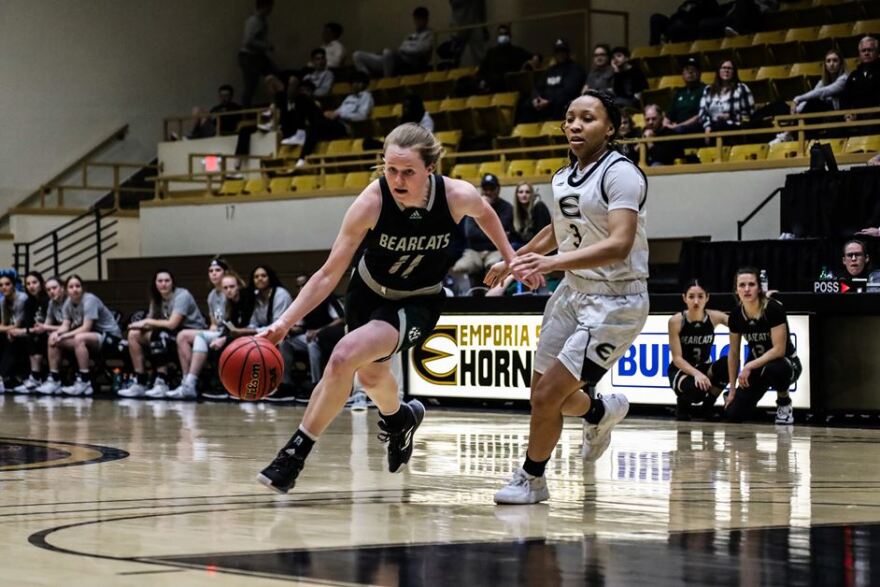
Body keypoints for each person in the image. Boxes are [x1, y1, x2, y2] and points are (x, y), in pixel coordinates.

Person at [255, 122, 530, 494]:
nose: (398, 180)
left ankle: (293, 456)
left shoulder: (455, 196)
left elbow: (486, 214)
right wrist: (284, 323)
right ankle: (400, 418)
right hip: (367, 293)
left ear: (430, 168)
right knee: (371, 377)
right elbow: (328, 273)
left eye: (408, 172)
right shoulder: (371, 202)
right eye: (391, 169)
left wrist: (511, 258)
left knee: (343, 356)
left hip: (418, 300)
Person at [490, 90, 649, 504]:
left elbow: (620, 243)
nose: (576, 125)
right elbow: (557, 230)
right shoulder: (563, 176)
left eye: (588, 118)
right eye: (570, 118)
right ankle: (599, 411)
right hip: (573, 293)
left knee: (548, 396)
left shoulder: (621, 174)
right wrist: (514, 260)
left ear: (610, 128)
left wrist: (552, 263)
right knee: (542, 395)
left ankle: (532, 479)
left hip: (615, 300)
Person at [725, 267, 801, 425]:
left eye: (751, 284)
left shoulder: (773, 308)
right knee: (733, 414)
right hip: (758, 366)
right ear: (736, 289)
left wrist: (749, 366)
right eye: (742, 285)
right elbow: (733, 353)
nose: (747, 289)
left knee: (776, 367)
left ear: (759, 288)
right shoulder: (736, 315)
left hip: (786, 364)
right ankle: (750, 404)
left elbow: (779, 350)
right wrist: (732, 389)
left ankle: (784, 403)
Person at [119, 270, 207, 398]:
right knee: (133, 334)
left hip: (190, 331)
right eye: (160, 281)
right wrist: (138, 325)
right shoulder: (156, 298)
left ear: (173, 283)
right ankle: (140, 382)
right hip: (171, 332)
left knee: (158, 334)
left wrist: (147, 322)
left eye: (167, 281)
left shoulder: (182, 295)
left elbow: (172, 324)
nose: (163, 284)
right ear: (155, 283)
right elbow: (151, 321)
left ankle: (162, 381)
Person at [173, 272, 255, 401]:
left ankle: (202, 382)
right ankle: (190, 382)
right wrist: (220, 335)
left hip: (254, 333)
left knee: (212, 341)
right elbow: (224, 324)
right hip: (231, 332)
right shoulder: (224, 300)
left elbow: (245, 328)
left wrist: (224, 338)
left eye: (232, 287)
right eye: (225, 288)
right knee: (200, 339)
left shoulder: (247, 299)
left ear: (238, 286)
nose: (229, 290)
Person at [35, 275, 122, 396]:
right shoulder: (68, 303)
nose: (74, 289)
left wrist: (64, 336)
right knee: (53, 338)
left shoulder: (90, 300)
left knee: (79, 338)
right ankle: (54, 380)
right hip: (91, 337)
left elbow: (86, 328)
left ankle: (85, 382)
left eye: (77, 286)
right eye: (71, 287)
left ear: (82, 288)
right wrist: (57, 334)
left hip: (110, 337)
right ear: (66, 290)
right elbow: (65, 326)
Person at [667, 279, 729, 420]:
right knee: (697, 390)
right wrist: (697, 374)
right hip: (681, 370)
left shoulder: (714, 317)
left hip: (703, 366)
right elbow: (677, 359)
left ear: (707, 298)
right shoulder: (676, 321)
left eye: (700, 296)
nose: (696, 301)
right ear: (684, 298)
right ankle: (683, 405)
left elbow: (739, 322)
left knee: (728, 363)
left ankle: (707, 407)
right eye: (691, 297)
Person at [169, 257, 229, 400]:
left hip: (229, 332)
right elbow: (214, 322)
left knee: (197, 337)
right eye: (211, 271)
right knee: (182, 336)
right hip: (217, 331)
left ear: (225, 273)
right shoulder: (212, 295)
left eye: (218, 270)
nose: (214, 273)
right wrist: (212, 328)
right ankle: (187, 381)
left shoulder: (229, 291)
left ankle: (192, 381)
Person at [449, 172, 514, 293]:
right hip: (474, 250)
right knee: (459, 267)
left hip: (495, 250)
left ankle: (491, 298)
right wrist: (495, 234)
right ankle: (465, 298)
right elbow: (470, 233)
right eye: (485, 188)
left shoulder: (507, 207)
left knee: (495, 266)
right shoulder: (473, 205)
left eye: (491, 188)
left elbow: (502, 233)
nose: (488, 192)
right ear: (481, 189)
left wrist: (487, 210)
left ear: (498, 189)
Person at [281, 273, 345, 390]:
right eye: (298, 286)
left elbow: (340, 319)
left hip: (327, 336)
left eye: (303, 285)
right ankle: (286, 384)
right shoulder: (300, 302)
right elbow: (300, 326)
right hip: (308, 335)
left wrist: (318, 331)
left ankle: (316, 385)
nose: (301, 289)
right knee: (285, 343)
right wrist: (287, 329)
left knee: (312, 343)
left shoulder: (326, 296)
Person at [353, 6, 434, 78]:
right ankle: (365, 80)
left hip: (410, 63)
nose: (417, 22)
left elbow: (421, 50)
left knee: (387, 52)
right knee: (358, 55)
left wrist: (403, 49)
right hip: (393, 61)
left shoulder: (429, 34)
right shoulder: (410, 35)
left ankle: (387, 80)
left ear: (426, 20)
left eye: (420, 19)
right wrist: (403, 48)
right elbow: (402, 46)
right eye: (416, 19)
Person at [16, 275, 64, 394]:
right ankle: (34, 377)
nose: (31, 286)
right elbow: (39, 324)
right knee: (29, 338)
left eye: (34, 282)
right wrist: (37, 329)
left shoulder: (50, 301)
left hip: (59, 333)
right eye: (28, 284)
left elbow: (65, 325)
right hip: (46, 332)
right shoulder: (29, 302)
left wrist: (41, 329)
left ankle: (43, 377)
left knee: (39, 337)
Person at [521, 38, 586, 122]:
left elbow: (569, 91)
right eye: (557, 52)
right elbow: (538, 87)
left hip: (559, 103)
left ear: (567, 52)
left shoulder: (575, 69)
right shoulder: (550, 70)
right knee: (526, 104)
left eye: (562, 51)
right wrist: (535, 98)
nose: (560, 54)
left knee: (560, 103)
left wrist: (549, 101)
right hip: (544, 102)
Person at [476, 24, 539, 93]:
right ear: (497, 36)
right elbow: (481, 72)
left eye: (505, 34)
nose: (503, 36)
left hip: (511, 86)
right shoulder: (491, 53)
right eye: (501, 34)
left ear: (510, 36)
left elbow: (535, 56)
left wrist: (535, 59)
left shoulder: (517, 51)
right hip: (493, 87)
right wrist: (482, 81)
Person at [238, 0, 277, 107]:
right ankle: (245, 111)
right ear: (264, 7)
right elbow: (248, 41)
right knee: (251, 84)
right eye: (270, 7)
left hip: (258, 56)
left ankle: (277, 104)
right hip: (249, 57)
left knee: (275, 75)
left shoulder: (262, 21)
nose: (271, 10)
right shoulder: (254, 21)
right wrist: (266, 46)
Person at [699, 60, 754, 135]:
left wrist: (731, 116)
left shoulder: (742, 88)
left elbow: (749, 114)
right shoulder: (708, 89)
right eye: (723, 68)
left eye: (729, 68)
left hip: (734, 126)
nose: (726, 70)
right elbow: (703, 113)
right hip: (712, 126)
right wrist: (707, 126)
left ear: (734, 72)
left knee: (720, 125)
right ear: (718, 71)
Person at [792, 50, 847, 114]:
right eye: (828, 61)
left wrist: (797, 99)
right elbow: (812, 95)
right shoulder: (823, 81)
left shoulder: (844, 79)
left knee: (815, 102)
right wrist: (797, 109)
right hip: (827, 113)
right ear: (825, 65)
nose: (831, 64)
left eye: (835, 60)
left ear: (841, 64)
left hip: (839, 113)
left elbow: (823, 92)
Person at [0, 274, 28, 391]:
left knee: (12, 338)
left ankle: (2, 376)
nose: (4, 287)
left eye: (7, 284)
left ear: (14, 285)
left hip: (25, 331)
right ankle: (4, 377)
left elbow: (18, 324)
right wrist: (7, 330)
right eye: (1, 285)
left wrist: (7, 330)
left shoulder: (22, 299)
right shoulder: (3, 301)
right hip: (12, 331)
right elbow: (3, 323)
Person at [664, 57, 706, 135]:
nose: (690, 72)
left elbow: (700, 116)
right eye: (687, 69)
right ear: (682, 74)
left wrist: (678, 126)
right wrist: (666, 125)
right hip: (677, 128)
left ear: (700, 73)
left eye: (693, 69)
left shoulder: (705, 90)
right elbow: (668, 116)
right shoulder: (679, 92)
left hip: (695, 129)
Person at [841, 36, 880, 114]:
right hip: (857, 117)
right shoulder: (854, 75)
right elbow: (845, 99)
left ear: (877, 53)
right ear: (859, 54)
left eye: (870, 50)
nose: (866, 53)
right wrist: (847, 114)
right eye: (863, 50)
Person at [511, 182, 551, 247]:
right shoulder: (518, 213)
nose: (524, 195)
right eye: (521, 192)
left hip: (542, 247)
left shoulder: (539, 207)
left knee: (514, 246)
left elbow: (542, 236)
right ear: (516, 195)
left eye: (527, 192)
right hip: (528, 246)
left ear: (532, 195)